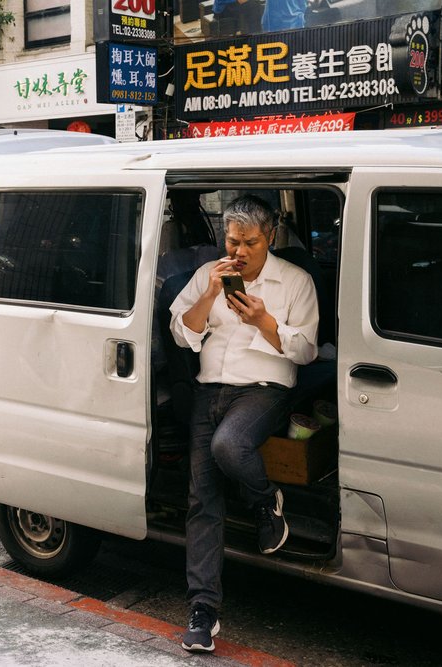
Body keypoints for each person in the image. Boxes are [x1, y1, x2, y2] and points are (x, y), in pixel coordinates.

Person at [168, 194, 319, 653]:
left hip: (264, 388)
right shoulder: (207, 275)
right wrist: (211, 294)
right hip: (209, 388)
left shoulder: (295, 281)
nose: (237, 251)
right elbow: (181, 331)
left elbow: (308, 350)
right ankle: (203, 610)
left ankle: (264, 501)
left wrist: (265, 322)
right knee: (202, 499)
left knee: (229, 446)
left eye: (249, 242)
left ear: (269, 237)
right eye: (232, 241)